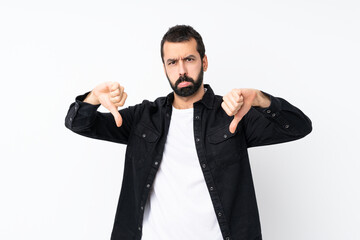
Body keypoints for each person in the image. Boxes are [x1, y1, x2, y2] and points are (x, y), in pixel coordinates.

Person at [64, 25, 312, 240]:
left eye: (189, 59)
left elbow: (300, 127)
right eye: (172, 62)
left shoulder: (232, 115)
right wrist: (93, 98)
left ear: (204, 62)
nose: (181, 70)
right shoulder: (144, 118)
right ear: (164, 68)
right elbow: (78, 124)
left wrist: (259, 98)